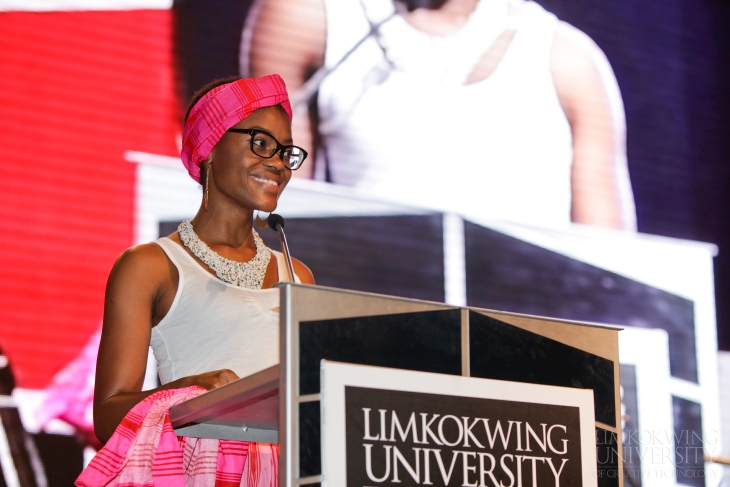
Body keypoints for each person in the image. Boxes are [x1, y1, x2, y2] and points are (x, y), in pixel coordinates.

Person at [88, 74, 313, 479]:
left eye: (285, 152)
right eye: (261, 143)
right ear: (209, 146)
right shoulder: (149, 265)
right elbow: (107, 419)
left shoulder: (296, 272)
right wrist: (193, 392)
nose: (278, 163)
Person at [246, 0, 636, 230]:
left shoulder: (566, 58)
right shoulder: (308, 18)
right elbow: (271, 217)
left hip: (529, 344)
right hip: (368, 332)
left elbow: (610, 265)